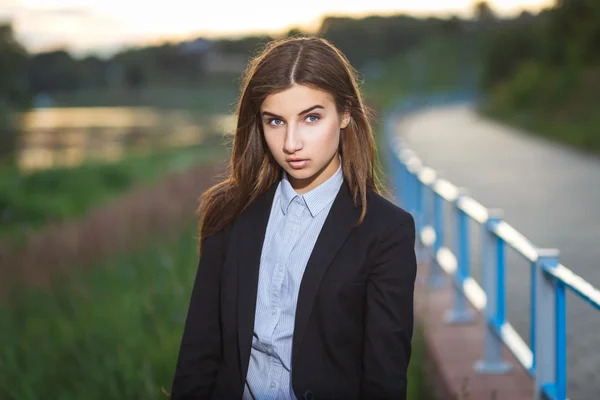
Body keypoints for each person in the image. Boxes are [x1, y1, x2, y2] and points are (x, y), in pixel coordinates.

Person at [170, 36, 417, 400]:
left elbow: (384, 381)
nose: (291, 143)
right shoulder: (228, 212)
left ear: (346, 113)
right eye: (275, 121)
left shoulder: (386, 231)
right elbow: (199, 355)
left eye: (311, 118)